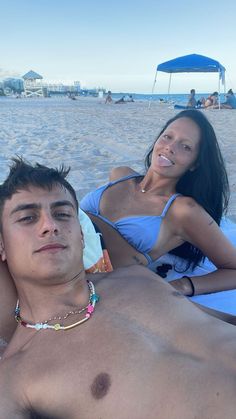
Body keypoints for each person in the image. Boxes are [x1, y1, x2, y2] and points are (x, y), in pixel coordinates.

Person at [1, 158, 236, 419]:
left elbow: (217, 321)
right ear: (2, 245)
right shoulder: (16, 376)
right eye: (27, 217)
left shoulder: (138, 278)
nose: (50, 225)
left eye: (63, 214)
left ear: (81, 234)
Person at [81, 109, 236, 296]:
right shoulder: (120, 175)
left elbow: (233, 269)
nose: (169, 147)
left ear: (195, 163)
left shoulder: (182, 210)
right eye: (167, 137)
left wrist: (182, 286)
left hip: (94, 290)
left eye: (185, 146)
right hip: (53, 263)